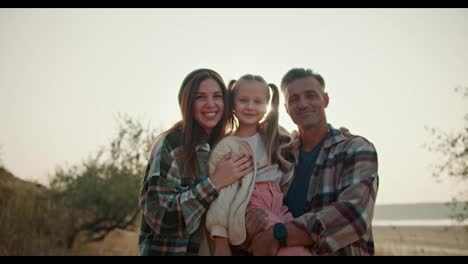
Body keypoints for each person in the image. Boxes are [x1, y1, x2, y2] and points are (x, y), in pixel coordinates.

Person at [247, 68, 379, 256]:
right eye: (294, 99)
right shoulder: (283, 155)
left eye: (310, 95)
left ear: (325, 100)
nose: (303, 104)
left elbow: (354, 214)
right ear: (286, 109)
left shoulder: (355, 148)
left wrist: (279, 234)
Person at [138, 68, 253, 256]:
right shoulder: (173, 145)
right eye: (200, 97)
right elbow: (159, 216)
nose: (210, 104)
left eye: (217, 96)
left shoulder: (228, 148)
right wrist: (214, 183)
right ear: (187, 103)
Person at [204, 74, 311, 256]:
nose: (250, 106)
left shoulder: (275, 137)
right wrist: (220, 242)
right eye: (243, 100)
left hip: (278, 205)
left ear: (267, 106)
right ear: (232, 104)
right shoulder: (228, 146)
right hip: (250, 205)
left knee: (301, 240)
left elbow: (301, 143)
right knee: (292, 250)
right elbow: (222, 197)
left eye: (258, 101)